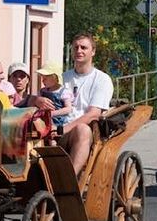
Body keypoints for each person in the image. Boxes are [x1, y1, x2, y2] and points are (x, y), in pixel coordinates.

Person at [32, 33, 113, 176]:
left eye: (84, 47)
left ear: (93, 52)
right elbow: (45, 96)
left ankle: (70, 180)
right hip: (56, 128)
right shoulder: (63, 77)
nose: (79, 51)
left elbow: (93, 114)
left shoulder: (102, 80)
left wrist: (65, 128)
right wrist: (37, 100)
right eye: (76, 47)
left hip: (85, 133)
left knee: (82, 129)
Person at [36, 62, 73, 130]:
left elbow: (68, 109)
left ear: (55, 78)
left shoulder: (63, 91)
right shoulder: (42, 91)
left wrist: (52, 113)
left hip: (59, 121)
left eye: (45, 78)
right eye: (42, 78)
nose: (42, 81)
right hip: (44, 119)